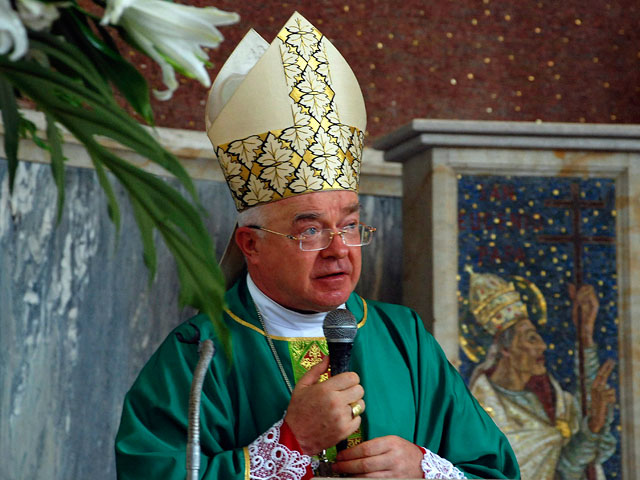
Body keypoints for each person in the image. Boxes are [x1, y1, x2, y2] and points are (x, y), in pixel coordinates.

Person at [115, 12, 519, 479]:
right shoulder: (198, 355)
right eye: (310, 231)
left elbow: (495, 470)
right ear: (251, 244)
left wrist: (423, 470)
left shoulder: (403, 338)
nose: (338, 249)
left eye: (349, 226)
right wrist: (289, 445)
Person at [466, 270, 616, 480]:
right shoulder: (484, 413)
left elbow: (573, 455)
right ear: (505, 349)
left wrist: (586, 335)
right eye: (531, 339)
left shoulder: (547, 398)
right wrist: (592, 427)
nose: (543, 346)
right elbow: (562, 470)